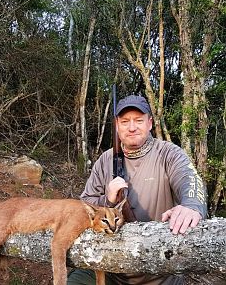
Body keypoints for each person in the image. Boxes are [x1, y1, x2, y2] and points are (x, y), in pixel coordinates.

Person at [67, 95, 207, 285]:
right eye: (125, 122)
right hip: (110, 267)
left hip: (160, 274)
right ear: (117, 125)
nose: (132, 127)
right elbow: (83, 206)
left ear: (149, 123)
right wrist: (107, 202)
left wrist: (191, 205)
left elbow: (190, 179)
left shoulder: (169, 153)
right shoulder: (104, 160)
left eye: (138, 120)